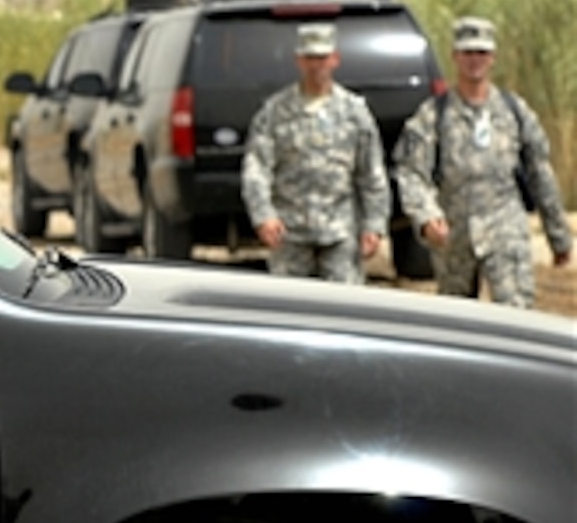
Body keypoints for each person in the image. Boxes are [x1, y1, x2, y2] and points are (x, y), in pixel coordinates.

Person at [393, 16, 572, 307]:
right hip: (454, 236)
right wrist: (426, 216)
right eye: (467, 53)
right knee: (457, 326)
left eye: (481, 53)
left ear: (492, 58)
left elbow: (540, 173)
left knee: (516, 315)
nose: (474, 60)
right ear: (455, 57)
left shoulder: (514, 111)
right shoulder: (432, 115)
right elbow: (411, 171)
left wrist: (558, 236)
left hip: (505, 229)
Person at [241, 22, 390, 283]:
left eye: (322, 58)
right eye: (309, 58)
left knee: (343, 314)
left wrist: (374, 225)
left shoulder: (354, 112)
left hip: (340, 233)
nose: (316, 65)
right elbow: (256, 168)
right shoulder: (275, 111)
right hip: (289, 234)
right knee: (290, 313)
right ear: (298, 60)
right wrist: (263, 215)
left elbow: (371, 174)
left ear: (335, 59)